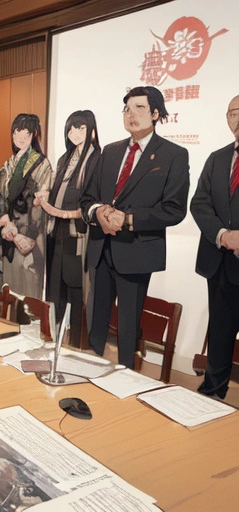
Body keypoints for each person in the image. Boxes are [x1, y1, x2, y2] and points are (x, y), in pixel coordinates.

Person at [80, 86, 189, 368]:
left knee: (128, 329)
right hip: (101, 248)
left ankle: (125, 380)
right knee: (96, 323)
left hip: (136, 252)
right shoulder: (110, 151)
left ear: (155, 113)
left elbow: (174, 209)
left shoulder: (173, 155)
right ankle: (90, 372)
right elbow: (87, 199)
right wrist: (98, 212)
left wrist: (129, 220)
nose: (131, 114)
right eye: (127, 109)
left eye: (139, 108)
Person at [36, 110, 101, 346]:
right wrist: (45, 197)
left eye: (81, 128)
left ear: (91, 131)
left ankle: (76, 346)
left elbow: (96, 203)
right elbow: (57, 192)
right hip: (58, 232)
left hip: (80, 234)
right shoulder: (64, 158)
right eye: (71, 128)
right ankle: (54, 342)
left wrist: (62, 212)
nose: (75, 133)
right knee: (56, 288)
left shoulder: (97, 159)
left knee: (77, 290)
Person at [191, 94, 239, 400]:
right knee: (220, 333)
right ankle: (212, 395)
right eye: (233, 113)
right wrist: (224, 235)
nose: (238, 118)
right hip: (219, 262)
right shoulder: (217, 158)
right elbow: (200, 203)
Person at [0, 114, 53, 298]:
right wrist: (4, 220)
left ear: (34, 135)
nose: (20, 137)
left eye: (26, 132)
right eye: (17, 131)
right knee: (10, 292)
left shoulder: (42, 164)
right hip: (8, 234)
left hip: (28, 236)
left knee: (28, 293)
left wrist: (20, 231)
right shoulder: (9, 164)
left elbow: (41, 203)